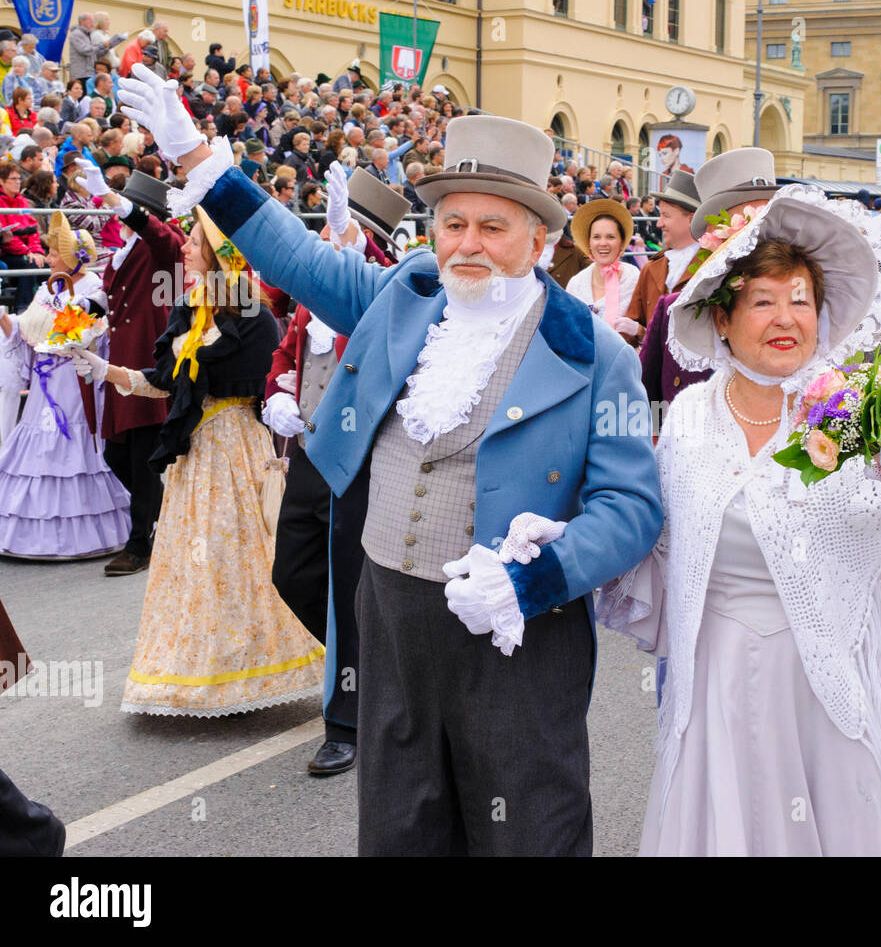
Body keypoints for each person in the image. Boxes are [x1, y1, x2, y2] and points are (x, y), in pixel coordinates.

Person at [117, 67, 661, 854]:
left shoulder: (594, 353)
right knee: (403, 818)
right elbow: (294, 258)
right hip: (392, 610)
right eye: (452, 223)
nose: (467, 244)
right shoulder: (403, 295)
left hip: (516, 631)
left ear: (540, 239)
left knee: (527, 823)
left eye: (493, 227)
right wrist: (199, 158)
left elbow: (633, 508)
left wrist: (533, 578)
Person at [598, 184, 881, 855]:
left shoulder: (853, 413)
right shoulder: (686, 421)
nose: (784, 317)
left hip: (837, 694)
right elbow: (647, 540)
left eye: (800, 300)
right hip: (714, 689)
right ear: (722, 321)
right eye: (762, 300)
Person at [72, 206, 326, 715]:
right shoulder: (190, 307)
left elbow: (259, 387)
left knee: (237, 559)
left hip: (234, 451)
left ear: (216, 255)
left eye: (193, 244)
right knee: (192, 563)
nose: (184, 250)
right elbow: (168, 381)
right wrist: (107, 369)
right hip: (196, 458)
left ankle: (251, 671)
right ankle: (193, 673)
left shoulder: (250, 317)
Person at [262, 163, 408, 776]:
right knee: (292, 571)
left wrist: (354, 236)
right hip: (311, 450)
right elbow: (287, 352)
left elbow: (370, 271)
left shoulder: (384, 292)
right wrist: (278, 391)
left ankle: (345, 719)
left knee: (352, 577)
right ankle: (373, 663)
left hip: (361, 454)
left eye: (340, 234)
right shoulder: (308, 307)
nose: (330, 242)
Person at [0, 212, 130, 559]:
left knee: (72, 441)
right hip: (46, 379)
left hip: (72, 379)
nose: (50, 258)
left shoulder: (92, 290)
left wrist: (59, 336)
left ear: (73, 257)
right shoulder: (48, 285)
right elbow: (28, 330)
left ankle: (82, 534)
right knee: (37, 440)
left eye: (55, 253)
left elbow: (86, 336)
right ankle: (29, 534)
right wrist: (6, 321)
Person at [76, 166, 182, 576]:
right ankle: (161, 517)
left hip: (146, 359)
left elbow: (163, 237)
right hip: (120, 356)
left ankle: (140, 544)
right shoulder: (125, 250)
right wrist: (80, 312)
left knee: (140, 456)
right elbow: (111, 293)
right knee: (116, 452)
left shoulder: (161, 245)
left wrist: (118, 203)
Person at [641, 148, 781, 411]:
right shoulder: (672, 312)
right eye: (748, 226)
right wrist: (666, 445)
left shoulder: (810, 313)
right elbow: (642, 407)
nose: (760, 239)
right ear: (715, 235)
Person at [620, 170, 701, 352]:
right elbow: (632, 326)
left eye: (666, 215)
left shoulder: (713, 265)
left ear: (692, 219)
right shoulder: (651, 268)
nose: (659, 223)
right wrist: (636, 332)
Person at [564, 198, 641, 336]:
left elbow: (653, 335)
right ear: (589, 242)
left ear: (621, 242)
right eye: (596, 237)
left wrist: (638, 331)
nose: (603, 243)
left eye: (610, 237)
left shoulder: (634, 278)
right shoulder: (576, 284)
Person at [0, 159, 46, 311]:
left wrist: (37, 251)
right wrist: (28, 252)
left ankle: (47, 309)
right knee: (30, 265)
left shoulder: (23, 202)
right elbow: (8, 238)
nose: (18, 182)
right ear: (2, 181)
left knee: (48, 265)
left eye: (19, 178)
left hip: (28, 252)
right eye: (13, 179)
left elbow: (33, 230)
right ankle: (23, 310)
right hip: (9, 253)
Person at [68, 14, 125, 90]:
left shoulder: (87, 34)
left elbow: (95, 53)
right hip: (81, 73)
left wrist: (107, 47)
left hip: (88, 71)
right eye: (90, 21)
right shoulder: (76, 34)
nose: (93, 24)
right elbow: (85, 50)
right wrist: (102, 45)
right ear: (82, 22)